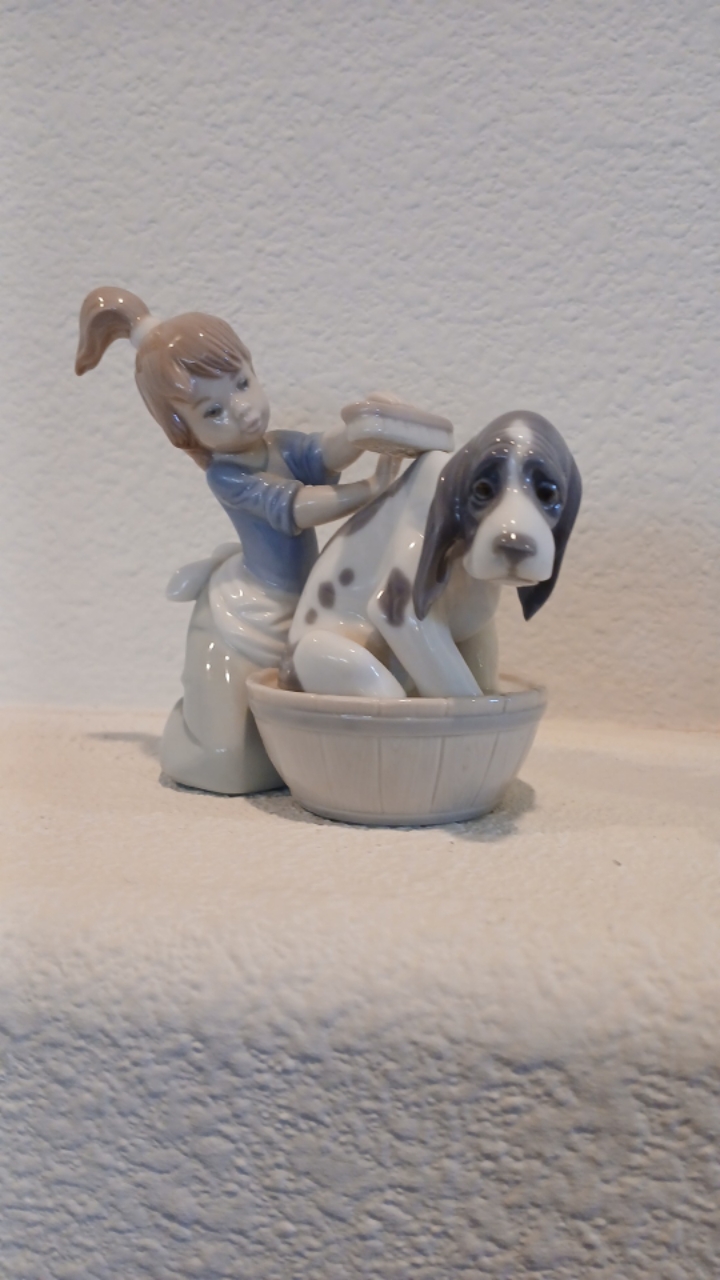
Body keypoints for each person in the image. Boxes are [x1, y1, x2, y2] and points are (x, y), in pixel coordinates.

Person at [75, 287, 398, 793]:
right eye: (213, 411)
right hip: (248, 616)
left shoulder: (281, 445)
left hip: (303, 603)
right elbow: (296, 506)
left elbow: (325, 453)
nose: (242, 410)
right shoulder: (226, 475)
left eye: (243, 384)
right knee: (227, 761)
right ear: (185, 432)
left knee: (295, 736)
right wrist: (371, 490)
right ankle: (191, 733)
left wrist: (361, 429)